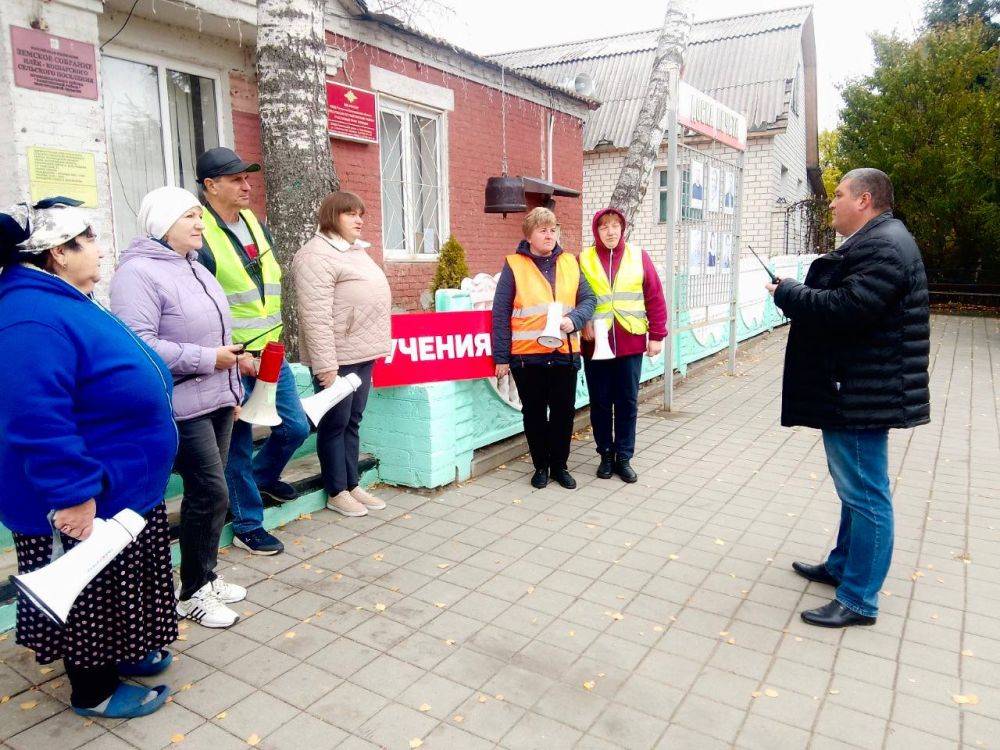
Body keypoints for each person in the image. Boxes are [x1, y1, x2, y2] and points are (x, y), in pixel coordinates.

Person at [0, 198, 177, 718]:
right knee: (86, 598)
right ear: (59, 253)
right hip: (81, 498)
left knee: (116, 587)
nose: (100, 249)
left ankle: (124, 653)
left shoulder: (64, 297)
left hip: (118, 486)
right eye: (90, 239)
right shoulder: (28, 315)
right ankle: (93, 691)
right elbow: (35, 417)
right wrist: (73, 496)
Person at [766, 168, 930, 628]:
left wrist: (789, 294)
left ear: (865, 199)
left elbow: (845, 309)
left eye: (838, 195)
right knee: (854, 491)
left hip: (861, 392)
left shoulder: (884, 245)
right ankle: (842, 566)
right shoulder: (879, 241)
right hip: (858, 386)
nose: (831, 202)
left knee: (866, 495)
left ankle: (859, 599)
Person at [110, 187, 248, 628]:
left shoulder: (195, 268)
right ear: (163, 223)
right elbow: (139, 345)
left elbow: (211, 332)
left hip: (217, 396)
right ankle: (191, 593)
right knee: (211, 492)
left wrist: (235, 367)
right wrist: (210, 359)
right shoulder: (137, 274)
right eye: (190, 216)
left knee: (209, 492)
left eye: (199, 216)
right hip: (181, 404)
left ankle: (203, 576)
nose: (200, 224)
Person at [196, 147, 310, 555]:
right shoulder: (199, 232)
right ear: (210, 186)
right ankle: (247, 521)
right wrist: (231, 354)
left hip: (271, 353)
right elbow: (198, 305)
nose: (247, 186)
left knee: (295, 426)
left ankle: (262, 477)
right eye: (236, 179)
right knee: (237, 442)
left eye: (247, 178)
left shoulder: (256, 224)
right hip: (232, 358)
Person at [292, 191, 391, 516]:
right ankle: (336, 490)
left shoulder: (355, 252)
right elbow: (315, 316)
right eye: (350, 214)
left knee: (353, 420)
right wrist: (325, 366)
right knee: (335, 424)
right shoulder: (315, 256)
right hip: (338, 357)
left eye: (360, 214)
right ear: (332, 217)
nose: (359, 220)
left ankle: (351, 483)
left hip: (361, 352)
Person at [492, 207, 596, 490]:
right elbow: (500, 313)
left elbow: (589, 300)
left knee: (563, 414)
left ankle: (560, 466)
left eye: (552, 230)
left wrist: (573, 320)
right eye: (542, 230)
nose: (549, 235)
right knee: (534, 414)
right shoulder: (514, 265)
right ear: (529, 235)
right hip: (528, 357)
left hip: (564, 354)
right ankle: (541, 466)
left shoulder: (571, 263)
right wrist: (501, 356)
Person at [579, 208, 667, 482]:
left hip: (630, 340)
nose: (610, 231)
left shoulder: (638, 256)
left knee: (627, 402)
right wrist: (582, 322)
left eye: (615, 225)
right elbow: (574, 295)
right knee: (601, 402)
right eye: (604, 227)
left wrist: (657, 335)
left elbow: (654, 296)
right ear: (597, 231)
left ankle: (624, 456)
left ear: (622, 228)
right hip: (596, 344)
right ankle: (605, 454)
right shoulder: (583, 259)